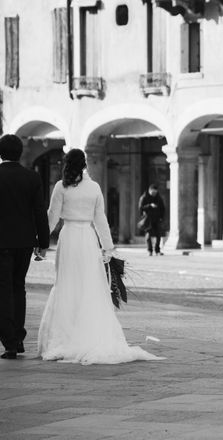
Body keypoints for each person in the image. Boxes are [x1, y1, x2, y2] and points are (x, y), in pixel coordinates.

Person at [38, 149, 161, 364]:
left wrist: (40, 242)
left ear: (66, 164)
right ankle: (90, 333)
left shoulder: (61, 187)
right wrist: (108, 247)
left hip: (69, 238)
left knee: (66, 282)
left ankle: (66, 334)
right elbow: (100, 219)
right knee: (89, 285)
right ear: (84, 165)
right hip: (87, 238)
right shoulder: (94, 187)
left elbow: (52, 217)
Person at [0, 134, 50, 360]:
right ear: (20, 153)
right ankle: (18, 337)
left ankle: (9, 343)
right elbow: (39, 212)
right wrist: (43, 242)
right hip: (25, 241)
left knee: (4, 290)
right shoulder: (32, 178)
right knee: (19, 287)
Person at [138, 184, 166, 256]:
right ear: (149, 191)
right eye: (153, 193)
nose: (154, 194)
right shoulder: (144, 197)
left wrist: (161, 217)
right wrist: (149, 205)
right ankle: (149, 250)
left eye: (155, 193)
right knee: (148, 235)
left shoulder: (158, 198)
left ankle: (157, 250)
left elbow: (162, 208)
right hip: (148, 218)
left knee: (158, 235)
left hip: (157, 218)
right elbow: (141, 208)